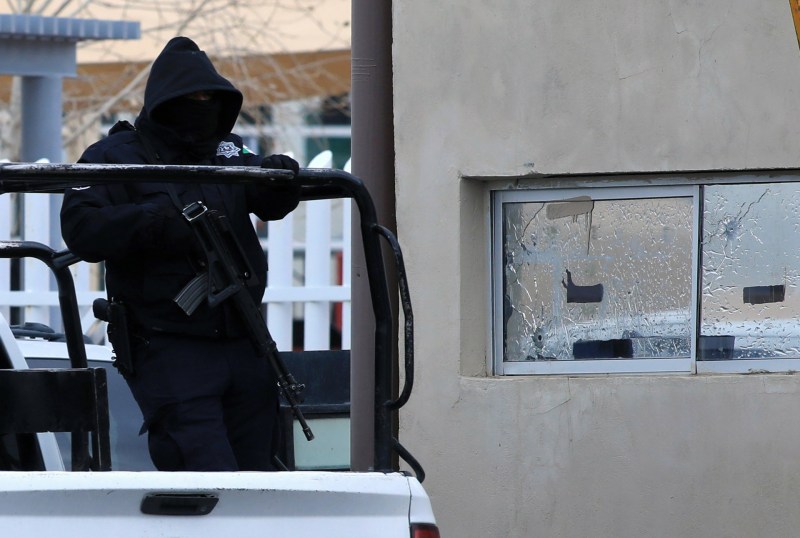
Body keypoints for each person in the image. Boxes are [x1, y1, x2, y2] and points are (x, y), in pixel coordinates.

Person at [60, 36, 301, 471]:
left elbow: (269, 201)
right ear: (164, 100)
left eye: (211, 99)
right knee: (204, 476)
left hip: (244, 340)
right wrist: (156, 220)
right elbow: (82, 229)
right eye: (191, 99)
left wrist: (278, 177)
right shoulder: (114, 156)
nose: (202, 107)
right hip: (169, 346)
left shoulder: (225, 151)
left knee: (263, 482)